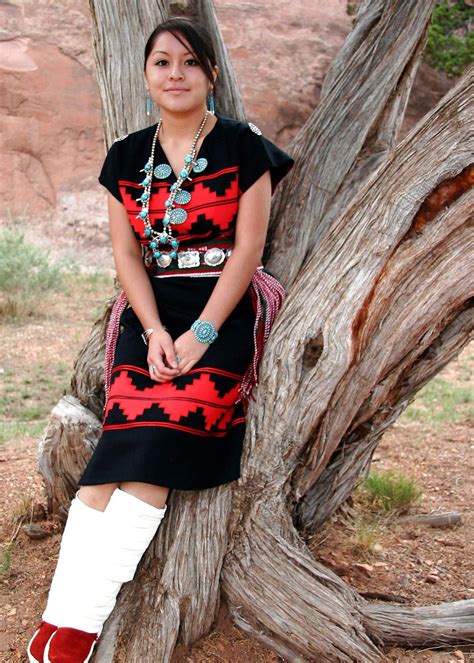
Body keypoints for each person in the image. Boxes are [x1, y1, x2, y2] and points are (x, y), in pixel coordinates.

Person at [27, 15, 294, 663]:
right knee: (107, 468)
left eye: (189, 62)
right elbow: (126, 254)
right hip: (148, 316)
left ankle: (76, 630)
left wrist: (200, 334)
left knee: (154, 459)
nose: (176, 74)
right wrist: (152, 330)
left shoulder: (241, 146)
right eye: (162, 63)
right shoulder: (126, 156)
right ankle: (57, 624)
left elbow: (249, 250)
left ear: (210, 74)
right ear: (146, 78)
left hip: (223, 314)